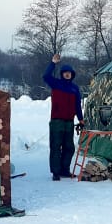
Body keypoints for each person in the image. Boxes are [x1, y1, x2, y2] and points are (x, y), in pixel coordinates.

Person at [43, 53, 84, 181]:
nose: (67, 74)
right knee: (56, 147)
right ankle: (56, 172)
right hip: (57, 121)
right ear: (62, 74)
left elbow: (77, 105)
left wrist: (81, 119)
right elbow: (45, 76)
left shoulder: (75, 89)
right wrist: (53, 63)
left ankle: (64, 170)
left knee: (69, 147)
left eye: (69, 72)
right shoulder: (56, 83)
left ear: (72, 74)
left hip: (69, 122)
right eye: (65, 72)